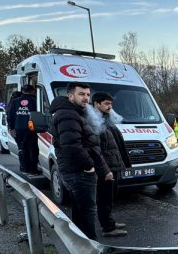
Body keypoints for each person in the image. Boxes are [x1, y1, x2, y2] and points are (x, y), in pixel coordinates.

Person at [49, 82, 112, 240]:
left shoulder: (74, 113)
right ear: (70, 96)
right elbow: (72, 146)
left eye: (87, 94)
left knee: (80, 209)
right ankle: (91, 248)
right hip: (78, 171)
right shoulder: (67, 114)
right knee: (87, 210)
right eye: (81, 94)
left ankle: (80, 243)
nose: (86, 98)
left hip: (77, 169)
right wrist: (89, 166)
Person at [91, 92, 132, 238]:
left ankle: (110, 221)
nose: (110, 107)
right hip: (106, 168)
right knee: (104, 198)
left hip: (113, 165)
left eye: (111, 104)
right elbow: (96, 149)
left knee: (110, 196)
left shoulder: (106, 119)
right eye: (106, 104)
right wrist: (105, 169)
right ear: (96, 104)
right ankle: (107, 228)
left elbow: (116, 144)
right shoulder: (93, 121)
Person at [7, 85, 38, 175]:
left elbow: (10, 115)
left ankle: (24, 168)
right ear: (32, 91)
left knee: (22, 148)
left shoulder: (15, 101)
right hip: (31, 129)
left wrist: (11, 127)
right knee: (33, 149)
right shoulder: (35, 101)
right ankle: (33, 170)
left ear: (23, 91)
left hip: (18, 128)